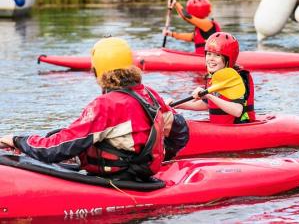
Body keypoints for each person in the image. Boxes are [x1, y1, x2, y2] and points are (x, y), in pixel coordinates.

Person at [0, 37, 188, 181]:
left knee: (56, 141)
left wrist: (18, 141)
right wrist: (163, 157)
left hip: (119, 180)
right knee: (57, 133)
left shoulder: (107, 105)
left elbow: (54, 150)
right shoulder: (150, 93)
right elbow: (181, 130)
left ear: (98, 70)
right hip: (141, 174)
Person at [168, 32, 256, 124]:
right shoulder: (212, 76)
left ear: (228, 59)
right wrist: (177, 105)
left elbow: (237, 111)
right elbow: (206, 104)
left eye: (217, 55)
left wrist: (209, 95)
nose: (211, 59)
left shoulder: (236, 78)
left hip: (239, 126)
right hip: (220, 126)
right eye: (209, 54)